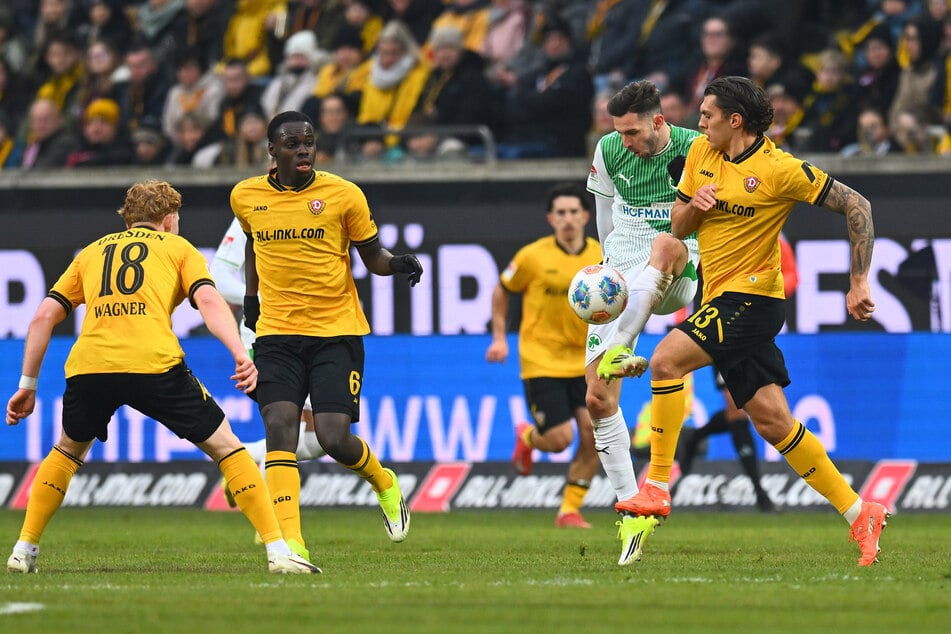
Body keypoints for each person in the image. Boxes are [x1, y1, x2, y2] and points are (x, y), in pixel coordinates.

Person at [615, 75, 889, 568]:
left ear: (734, 121)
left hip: (755, 300)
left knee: (665, 361)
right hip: (714, 297)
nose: (698, 123)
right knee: (772, 421)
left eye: (707, 115)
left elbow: (857, 205)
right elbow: (677, 226)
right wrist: (693, 209)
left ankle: (655, 485)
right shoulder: (701, 153)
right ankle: (859, 511)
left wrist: (860, 281)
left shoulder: (779, 169)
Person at [5, 179, 320, 575]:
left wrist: (27, 386)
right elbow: (208, 299)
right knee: (229, 449)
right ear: (169, 219)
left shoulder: (91, 252)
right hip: (153, 362)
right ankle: (279, 552)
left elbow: (43, 316)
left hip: (90, 366)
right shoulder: (177, 247)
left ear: (128, 220)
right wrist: (241, 353)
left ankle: (23, 549)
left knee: (67, 451)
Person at [231, 110, 423, 561]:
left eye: (309, 142)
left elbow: (372, 255)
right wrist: (251, 297)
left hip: (336, 332)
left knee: (333, 438)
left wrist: (397, 265)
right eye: (293, 143)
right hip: (276, 334)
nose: (303, 149)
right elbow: (251, 245)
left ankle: (384, 482)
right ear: (272, 151)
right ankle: (290, 544)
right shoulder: (245, 196)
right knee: (279, 427)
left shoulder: (343, 194)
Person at [584, 79, 702, 565]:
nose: (625, 141)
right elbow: (605, 220)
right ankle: (635, 510)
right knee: (596, 395)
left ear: (659, 121)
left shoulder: (696, 148)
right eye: (620, 132)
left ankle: (624, 345)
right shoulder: (609, 149)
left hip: (679, 259)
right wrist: (608, 273)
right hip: (624, 259)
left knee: (666, 245)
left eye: (633, 132)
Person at [486, 183, 601, 529]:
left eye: (574, 212)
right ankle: (528, 438)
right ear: (551, 218)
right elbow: (502, 291)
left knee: (594, 436)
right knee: (559, 439)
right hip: (542, 359)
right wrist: (499, 337)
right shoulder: (532, 256)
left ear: (586, 216)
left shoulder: (601, 255)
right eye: (561, 213)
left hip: (585, 361)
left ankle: (569, 509)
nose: (568, 219)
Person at [676, 235, 800, 513]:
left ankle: (696, 437)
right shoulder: (717, 230)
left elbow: (791, 275)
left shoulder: (775, 236)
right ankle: (759, 491)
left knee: (754, 410)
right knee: (736, 408)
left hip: (757, 324)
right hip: (720, 323)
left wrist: (770, 288)